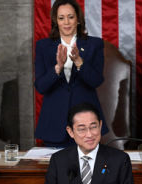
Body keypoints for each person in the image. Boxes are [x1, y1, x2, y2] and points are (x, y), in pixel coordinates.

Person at [38, 103, 137, 184]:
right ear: (70, 132)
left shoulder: (119, 159)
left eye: (93, 127)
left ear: (100, 126)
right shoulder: (59, 160)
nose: (89, 134)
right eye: (82, 129)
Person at [34, 0, 108, 147]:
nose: (66, 22)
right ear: (56, 20)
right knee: (56, 169)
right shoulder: (43, 46)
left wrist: (80, 62)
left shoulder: (94, 44)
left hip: (85, 122)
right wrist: (58, 67)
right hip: (53, 122)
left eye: (71, 17)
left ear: (78, 19)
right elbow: (41, 87)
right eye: (61, 18)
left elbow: (96, 81)